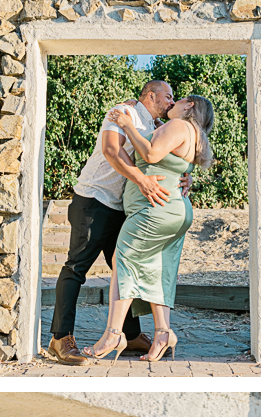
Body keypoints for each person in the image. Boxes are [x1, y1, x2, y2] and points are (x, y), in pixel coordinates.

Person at [47, 80, 191, 366]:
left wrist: (185, 179)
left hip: (124, 208)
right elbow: (112, 150)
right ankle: (60, 338)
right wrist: (141, 179)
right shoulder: (122, 112)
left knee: (125, 267)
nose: (172, 102)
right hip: (94, 200)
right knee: (76, 267)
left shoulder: (156, 127)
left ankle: (130, 334)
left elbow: (165, 159)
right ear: (151, 95)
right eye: (168, 96)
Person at [83, 95, 215, 364]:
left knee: (123, 261)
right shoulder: (193, 133)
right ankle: (163, 333)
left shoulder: (179, 125)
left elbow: (151, 153)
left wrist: (127, 124)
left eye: (178, 99)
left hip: (155, 210)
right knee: (159, 270)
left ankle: (113, 334)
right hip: (174, 209)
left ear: (190, 106)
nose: (172, 103)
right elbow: (175, 164)